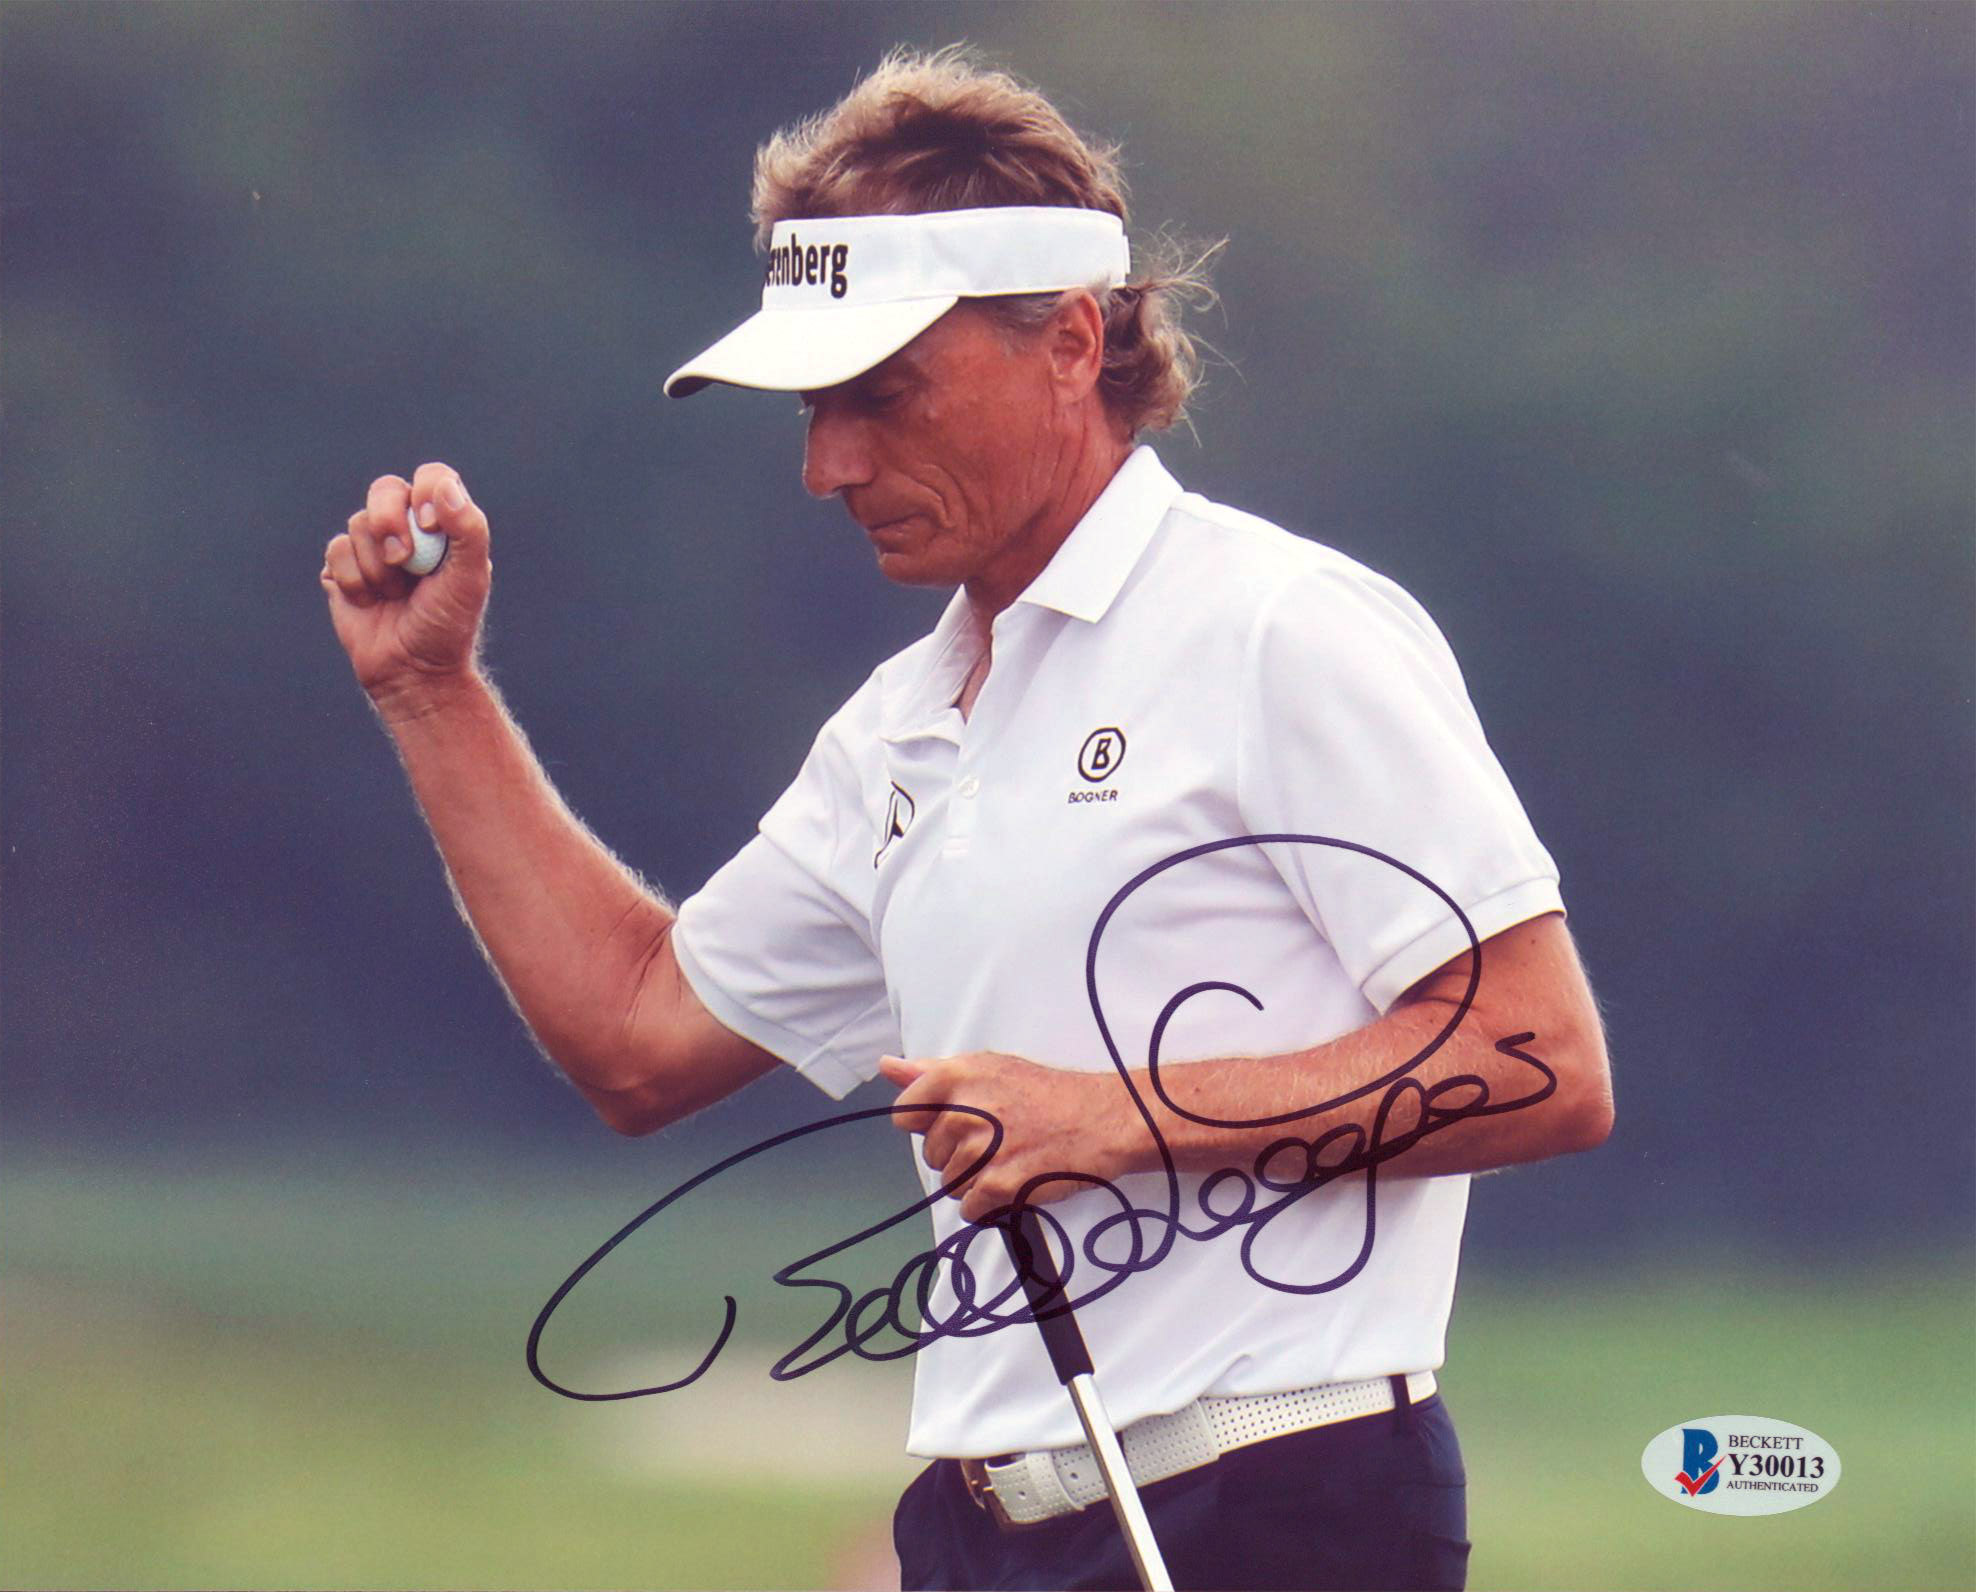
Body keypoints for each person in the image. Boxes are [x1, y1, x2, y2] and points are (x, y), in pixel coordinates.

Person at [321, 47, 1613, 1592]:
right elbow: (636, 1033)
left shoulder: (1280, 628)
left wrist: (1121, 1115)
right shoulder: (901, 724)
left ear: (1071, 341)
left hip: (1274, 1504)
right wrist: (433, 695)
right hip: (982, 1531)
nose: (829, 464)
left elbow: (1539, 1058)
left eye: (884, 395)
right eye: (816, 406)